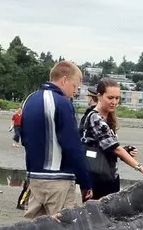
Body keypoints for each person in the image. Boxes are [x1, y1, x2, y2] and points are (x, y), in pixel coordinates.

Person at [19, 60, 93, 218]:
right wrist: (85, 182)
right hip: (59, 180)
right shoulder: (63, 103)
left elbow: (24, 139)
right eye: (75, 86)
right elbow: (72, 146)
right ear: (64, 80)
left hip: (34, 178)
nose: (75, 91)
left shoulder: (29, 100)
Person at [80, 79, 143, 199]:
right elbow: (115, 148)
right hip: (96, 178)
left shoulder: (107, 117)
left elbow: (107, 146)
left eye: (117, 98)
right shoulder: (95, 117)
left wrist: (126, 150)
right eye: (110, 98)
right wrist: (141, 168)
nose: (114, 102)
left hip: (109, 175)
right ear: (99, 96)